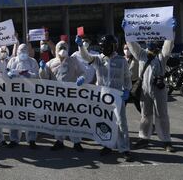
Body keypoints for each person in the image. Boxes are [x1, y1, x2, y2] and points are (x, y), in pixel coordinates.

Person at [76, 34, 133, 162]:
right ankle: (108, 145)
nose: (104, 49)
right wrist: (80, 46)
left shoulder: (121, 60)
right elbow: (86, 57)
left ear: (113, 46)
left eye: (106, 46)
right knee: (105, 123)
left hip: (118, 96)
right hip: (103, 96)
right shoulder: (98, 59)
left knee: (121, 123)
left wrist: (127, 90)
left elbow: (127, 77)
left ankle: (124, 149)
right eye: (102, 46)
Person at [126, 38, 176, 152]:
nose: (150, 42)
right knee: (145, 114)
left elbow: (169, 45)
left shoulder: (162, 55)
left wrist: (171, 33)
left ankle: (166, 140)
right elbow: (132, 44)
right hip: (144, 88)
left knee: (162, 114)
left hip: (159, 88)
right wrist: (127, 33)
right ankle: (143, 138)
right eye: (148, 40)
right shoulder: (141, 53)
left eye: (153, 40)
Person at [39, 40, 86, 151]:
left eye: (64, 48)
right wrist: (42, 69)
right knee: (59, 119)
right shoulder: (51, 63)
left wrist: (82, 78)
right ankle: (59, 140)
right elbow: (44, 78)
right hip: (57, 97)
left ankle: (77, 142)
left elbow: (82, 72)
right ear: (56, 50)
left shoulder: (73, 61)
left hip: (72, 95)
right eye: (60, 48)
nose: (62, 50)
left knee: (73, 119)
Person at [6, 44, 40, 149]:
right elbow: (7, 72)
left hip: (29, 93)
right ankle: (14, 139)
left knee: (30, 117)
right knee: (15, 116)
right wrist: (10, 75)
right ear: (17, 52)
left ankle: (31, 139)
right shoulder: (12, 61)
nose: (23, 53)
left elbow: (37, 75)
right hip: (15, 94)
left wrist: (30, 75)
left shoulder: (32, 61)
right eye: (21, 51)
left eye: (25, 51)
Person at [123, 43, 141, 113]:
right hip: (125, 86)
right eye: (125, 48)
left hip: (134, 85)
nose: (126, 50)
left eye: (128, 48)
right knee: (122, 105)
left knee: (138, 105)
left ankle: (149, 122)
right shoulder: (122, 59)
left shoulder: (136, 59)